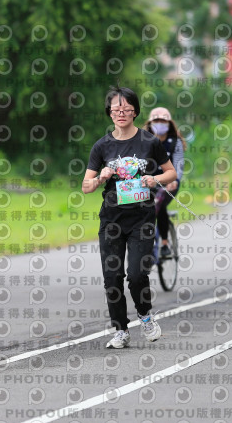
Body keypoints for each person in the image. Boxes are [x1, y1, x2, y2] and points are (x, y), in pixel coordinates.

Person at [82, 86, 177, 348]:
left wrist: (154, 178)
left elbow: (171, 173)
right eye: (116, 109)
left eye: (126, 109)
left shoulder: (149, 142)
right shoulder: (102, 146)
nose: (121, 113)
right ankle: (120, 329)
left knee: (136, 275)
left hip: (141, 218)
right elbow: (86, 186)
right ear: (109, 113)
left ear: (134, 111)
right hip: (111, 219)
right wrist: (101, 176)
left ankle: (145, 316)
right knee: (112, 276)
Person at [143, 107, 186, 258]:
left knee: (158, 203)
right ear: (150, 123)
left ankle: (165, 243)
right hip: (148, 183)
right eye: (156, 121)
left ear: (168, 123)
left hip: (169, 184)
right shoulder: (144, 140)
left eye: (162, 121)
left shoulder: (175, 142)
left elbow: (179, 164)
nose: (159, 123)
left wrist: (175, 180)